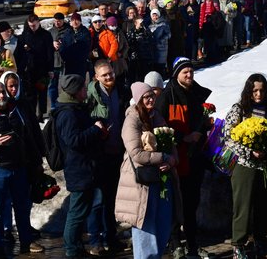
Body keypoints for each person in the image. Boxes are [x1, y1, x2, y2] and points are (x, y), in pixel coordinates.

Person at [155, 57, 212, 259]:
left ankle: (192, 244)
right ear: (176, 74)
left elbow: (199, 120)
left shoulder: (196, 94)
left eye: (191, 71)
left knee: (191, 202)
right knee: (174, 202)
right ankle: (175, 242)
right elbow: (159, 127)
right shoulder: (167, 96)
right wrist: (183, 137)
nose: (189, 75)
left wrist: (206, 125)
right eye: (185, 72)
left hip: (194, 157)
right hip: (175, 158)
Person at [115, 81, 179, 259]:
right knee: (146, 223)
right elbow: (136, 153)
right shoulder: (132, 120)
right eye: (146, 97)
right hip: (141, 181)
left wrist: (172, 160)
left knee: (163, 222)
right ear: (138, 99)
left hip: (161, 178)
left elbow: (170, 141)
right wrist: (164, 158)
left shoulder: (156, 116)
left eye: (152, 95)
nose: (151, 99)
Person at [0, 80, 45, 257]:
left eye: (3, 91)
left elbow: (29, 136)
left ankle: (26, 245)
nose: (2, 95)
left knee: (22, 208)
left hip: (19, 167)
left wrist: (37, 162)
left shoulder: (17, 109)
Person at [225, 74, 267, 259]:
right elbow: (228, 136)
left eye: (262, 90)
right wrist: (249, 152)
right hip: (244, 164)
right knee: (243, 205)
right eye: (254, 90)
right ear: (248, 91)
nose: (258, 94)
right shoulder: (240, 109)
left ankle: (260, 240)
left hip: (265, 166)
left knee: (264, 205)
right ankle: (238, 244)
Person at [55, 74, 106, 258]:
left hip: (85, 167)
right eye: (83, 88)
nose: (86, 90)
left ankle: (76, 246)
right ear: (75, 92)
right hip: (78, 169)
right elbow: (73, 140)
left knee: (82, 209)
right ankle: (70, 249)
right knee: (76, 212)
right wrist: (95, 130)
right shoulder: (67, 113)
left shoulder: (75, 109)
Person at [85, 60, 127, 255]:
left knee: (111, 199)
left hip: (117, 151)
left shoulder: (122, 90)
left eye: (110, 73)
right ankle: (95, 240)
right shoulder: (91, 96)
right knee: (98, 199)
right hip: (99, 154)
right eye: (104, 75)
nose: (109, 77)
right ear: (96, 77)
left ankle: (111, 237)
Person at [13, 14, 54, 122]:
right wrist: (17, 68)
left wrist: (50, 69)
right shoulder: (23, 37)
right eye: (30, 25)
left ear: (38, 23)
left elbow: (50, 53)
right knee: (30, 95)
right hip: (28, 72)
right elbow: (18, 54)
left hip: (43, 70)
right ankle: (32, 115)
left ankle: (41, 115)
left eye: (34, 25)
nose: (32, 27)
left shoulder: (46, 35)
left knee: (42, 94)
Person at [48, 12, 70, 111]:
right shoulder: (50, 32)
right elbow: (46, 46)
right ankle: (54, 105)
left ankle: (66, 103)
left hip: (65, 61)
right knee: (53, 85)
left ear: (63, 20)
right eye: (56, 21)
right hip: (54, 61)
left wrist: (63, 43)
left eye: (59, 21)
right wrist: (52, 44)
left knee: (66, 84)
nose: (57, 23)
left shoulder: (68, 30)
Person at [59, 12, 92, 78]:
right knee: (70, 82)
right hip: (69, 62)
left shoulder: (85, 32)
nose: (75, 22)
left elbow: (87, 47)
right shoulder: (67, 33)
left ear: (80, 21)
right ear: (71, 22)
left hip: (81, 63)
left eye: (77, 20)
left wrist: (81, 57)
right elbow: (63, 47)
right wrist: (65, 58)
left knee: (80, 82)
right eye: (73, 20)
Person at [148, 9, 171, 76]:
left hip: (162, 48)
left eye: (156, 15)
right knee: (154, 66)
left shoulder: (164, 24)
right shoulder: (150, 26)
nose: (155, 17)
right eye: (153, 16)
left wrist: (162, 40)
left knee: (161, 66)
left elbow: (169, 35)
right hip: (153, 49)